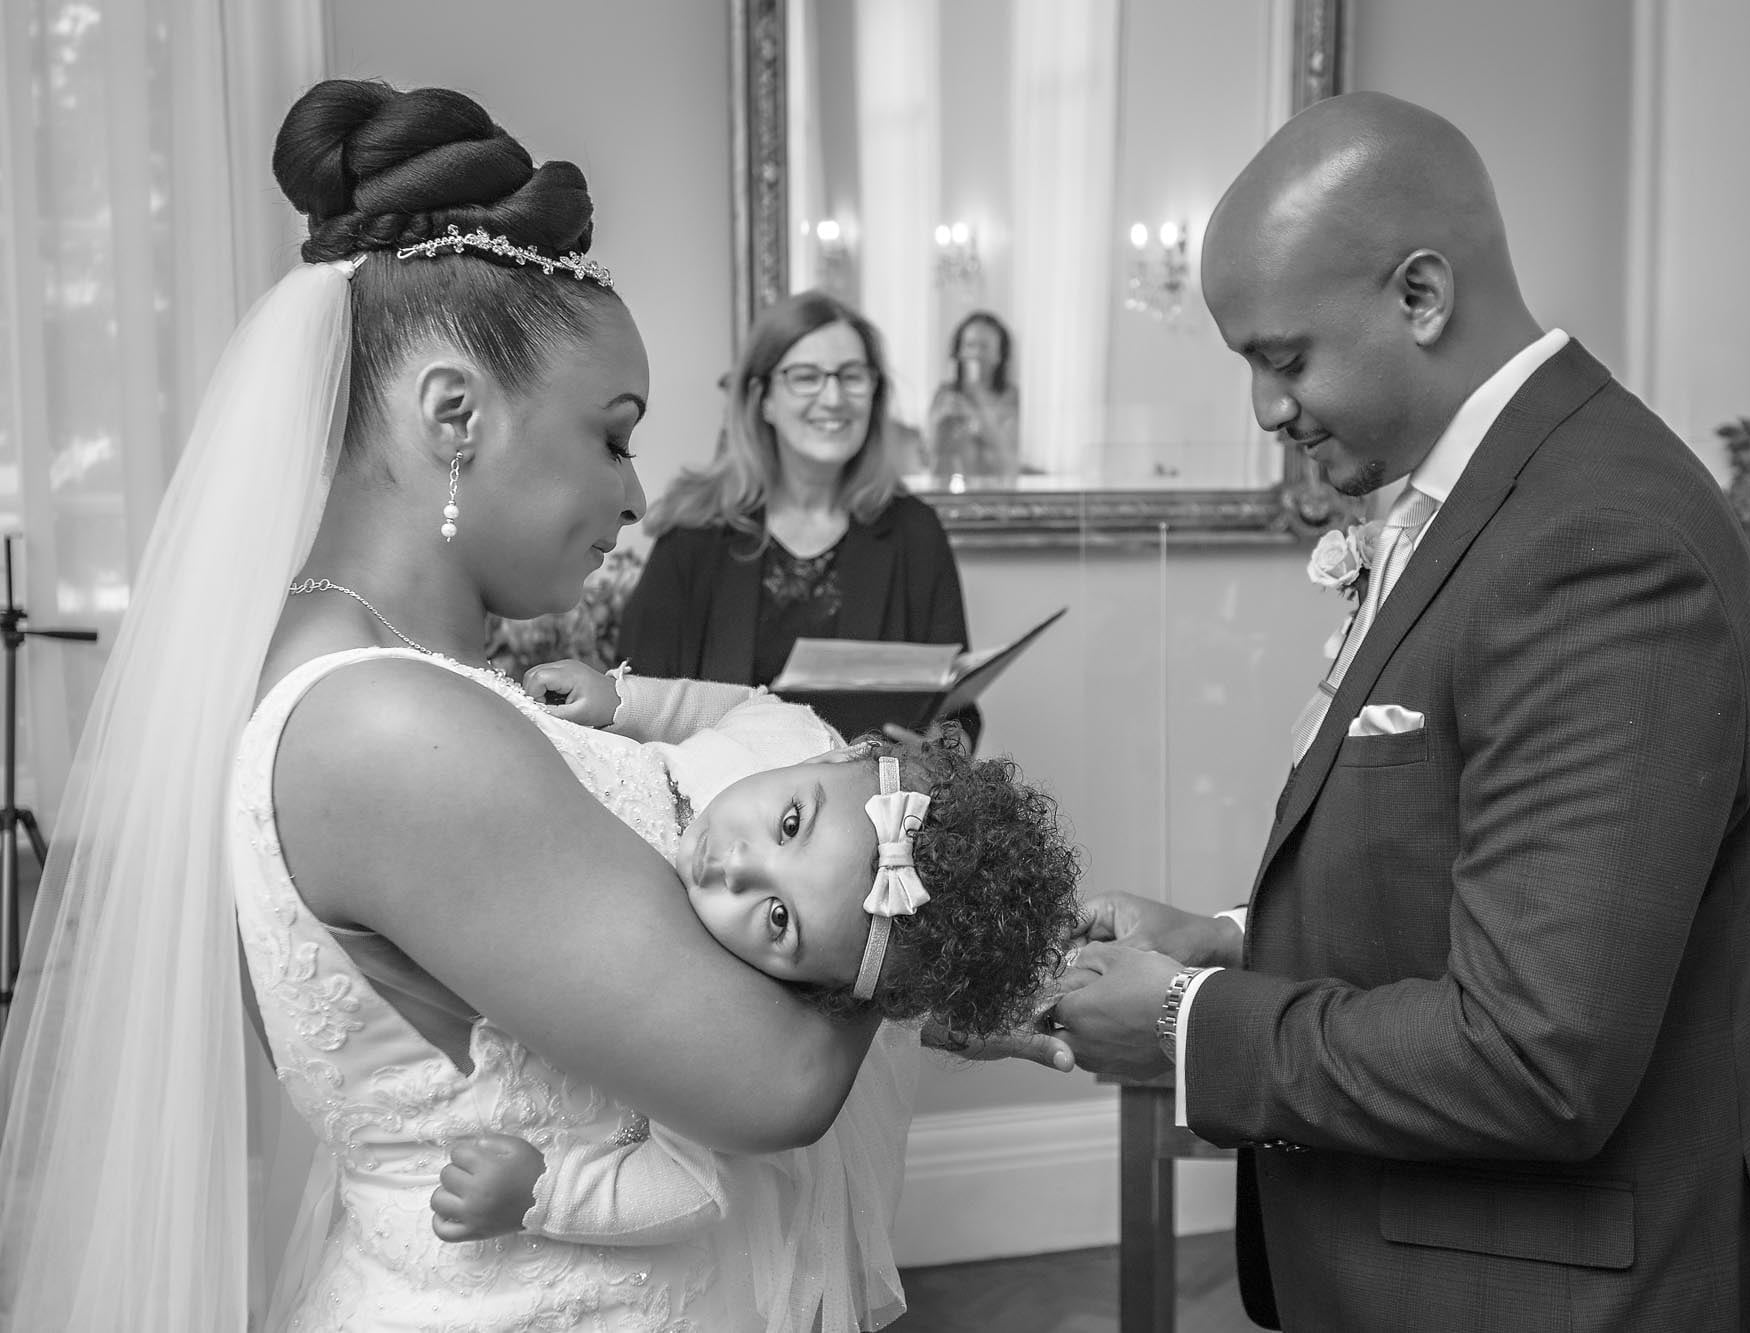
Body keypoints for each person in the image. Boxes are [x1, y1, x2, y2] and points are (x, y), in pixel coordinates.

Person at [0, 78, 1064, 1332]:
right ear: (453, 413)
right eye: (612, 436)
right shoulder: (388, 727)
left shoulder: (412, 677)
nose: (630, 493)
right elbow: (774, 1077)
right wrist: (919, 899)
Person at [1048, 91, 1750, 1332]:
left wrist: (1181, 1021)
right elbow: (1473, 880)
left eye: (1282, 358)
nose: (1264, 410)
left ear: (1418, 296)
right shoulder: (1503, 496)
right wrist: (1227, 939)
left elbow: (1537, 1056)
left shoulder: (1599, 542)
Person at [426, 668, 1081, 1246]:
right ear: (841, 752)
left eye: (778, 917)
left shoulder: (721, 1007)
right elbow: (739, 705)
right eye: (790, 823)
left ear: (815, 993)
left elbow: (693, 1186)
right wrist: (628, 699)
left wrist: (544, 1195)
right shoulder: (790, 736)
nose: (737, 864)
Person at [619, 290, 981, 746]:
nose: (833, 398)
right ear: (763, 398)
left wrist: (939, 753)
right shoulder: (694, 532)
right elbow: (632, 702)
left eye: (852, 377)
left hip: (875, 810)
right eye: (805, 377)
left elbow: (959, 712)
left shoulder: (915, 533)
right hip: (710, 803)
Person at [926, 310, 1021, 487]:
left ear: (999, 355)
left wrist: (978, 400)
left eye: (984, 347)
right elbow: (931, 458)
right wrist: (941, 427)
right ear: (958, 352)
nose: (976, 354)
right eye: (970, 345)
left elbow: (1008, 462)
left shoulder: (1012, 397)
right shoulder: (945, 396)